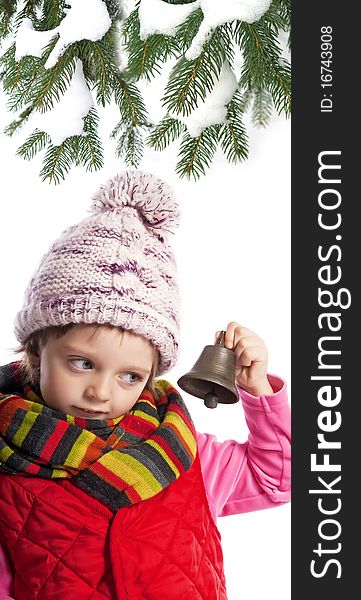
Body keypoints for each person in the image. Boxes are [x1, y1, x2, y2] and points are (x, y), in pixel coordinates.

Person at [0, 170, 290, 599]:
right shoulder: (9, 466)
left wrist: (259, 392)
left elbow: (277, 479)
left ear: (151, 376)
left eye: (129, 376)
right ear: (37, 352)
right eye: (82, 363)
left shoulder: (185, 455)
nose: (101, 392)